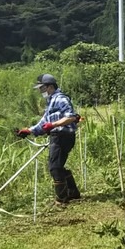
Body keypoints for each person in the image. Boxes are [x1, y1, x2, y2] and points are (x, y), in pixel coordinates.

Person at [16, 73, 81, 205]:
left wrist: (54, 125)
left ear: (49, 87)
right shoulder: (51, 101)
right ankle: (72, 193)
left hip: (64, 136)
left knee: (54, 167)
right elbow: (44, 122)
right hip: (56, 136)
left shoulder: (60, 99)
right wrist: (29, 130)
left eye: (42, 88)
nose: (40, 91)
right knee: (57, 166)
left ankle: (62, 199)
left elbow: (71, 117)